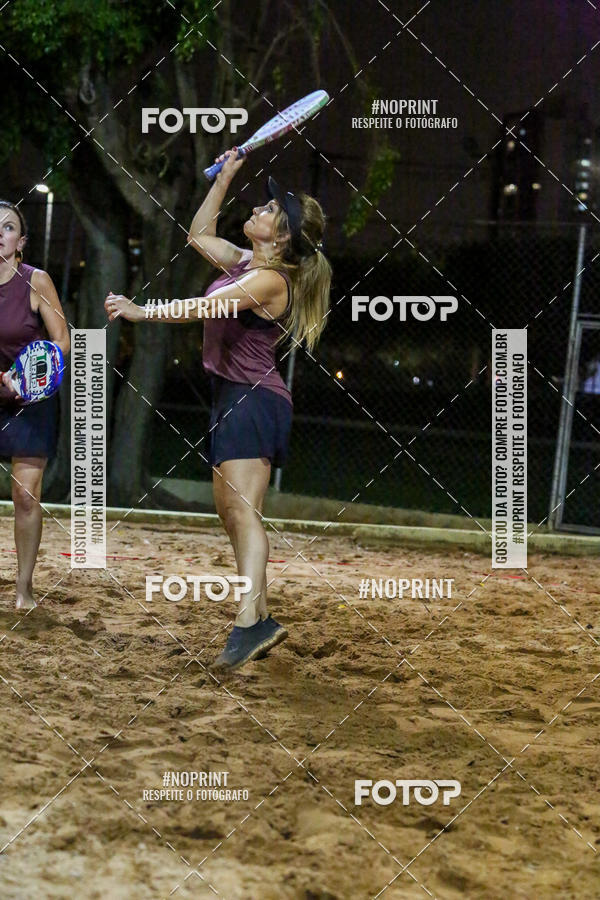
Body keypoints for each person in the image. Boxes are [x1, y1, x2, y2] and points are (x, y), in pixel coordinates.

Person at [105, 148, 331, 671]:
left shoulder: (273, 280)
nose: (262, 207)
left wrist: (144, 311)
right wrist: (225, 177)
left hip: (255, 400)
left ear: (283, 237)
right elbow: (198, 234)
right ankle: (261, 616)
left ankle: (251, 621)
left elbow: (207, 306)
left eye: (273, 209)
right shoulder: (247, 260)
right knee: (232, 515)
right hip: (234, 398)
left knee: (243, 513)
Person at [0, 201, 70, 609]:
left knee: (26, 497)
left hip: (30, 400)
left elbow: (62, 338)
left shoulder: (35, 281)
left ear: (20, 241)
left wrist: (32, 372)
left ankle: (23, 588)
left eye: (7, 228)